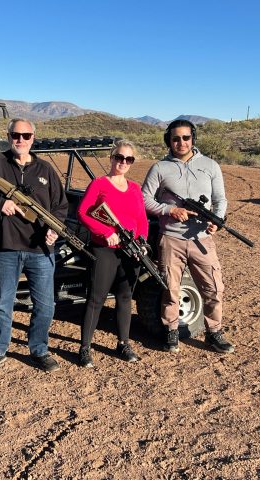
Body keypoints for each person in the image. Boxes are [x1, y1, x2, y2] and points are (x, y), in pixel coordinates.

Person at [0, 118, 68, 373]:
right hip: (6, 246)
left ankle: (39, 350)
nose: (21, 140)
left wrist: (53, 229)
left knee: (45, 304)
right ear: (9, 135)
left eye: (26, 136)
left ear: (33, 138)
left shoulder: (45, 170)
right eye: (16, 135)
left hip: (41, 249)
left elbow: (60, 206)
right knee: (3, 301)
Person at [142, 119, 235, 354]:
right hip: (171, 238)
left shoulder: (210, 165)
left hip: (202, 239)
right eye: (175, 138)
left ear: (193, 138)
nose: (181, 142)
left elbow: (220, 200)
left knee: (213, 288)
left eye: (185, 137)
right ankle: (171, 331)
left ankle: (214, 333)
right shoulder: (160, 168)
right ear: (168, 140)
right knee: (171, 289)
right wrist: (169, 210)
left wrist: (217, 220)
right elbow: (144, 199)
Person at [77, 139, 149, 368]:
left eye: (128, 159)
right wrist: (106, 232)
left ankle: (123, 343)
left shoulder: (135, 188)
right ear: (111, 158)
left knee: (125, 297)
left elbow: (142, 219)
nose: (123, 162)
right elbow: (83, 212)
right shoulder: (99, 184)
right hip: (105, 249)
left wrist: (143, 243)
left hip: (131, 250)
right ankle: (85, 348)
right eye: (119, 157)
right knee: (96, 299)